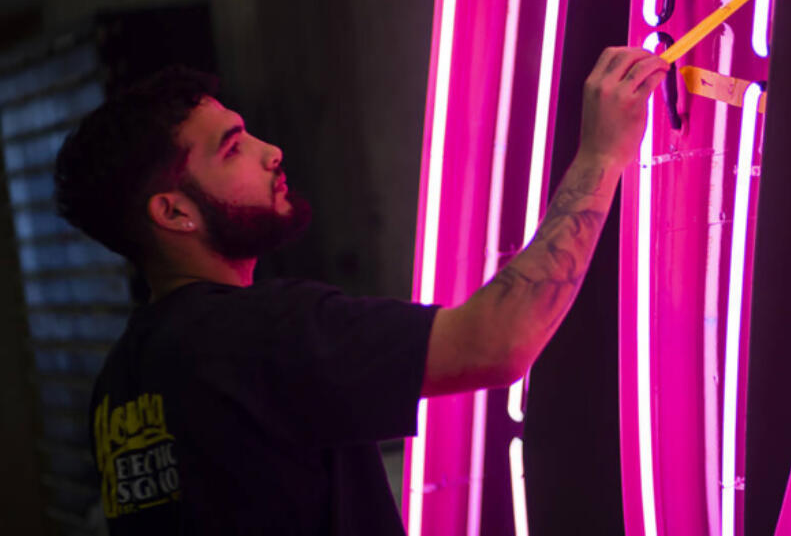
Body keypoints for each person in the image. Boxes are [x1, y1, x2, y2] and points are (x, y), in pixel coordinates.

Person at [54, 47, 668, 535]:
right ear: (174, 212)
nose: (272, 153)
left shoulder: (120, 385)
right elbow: (496, 341)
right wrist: (603, 154)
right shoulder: (258, 333)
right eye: (234, 148)